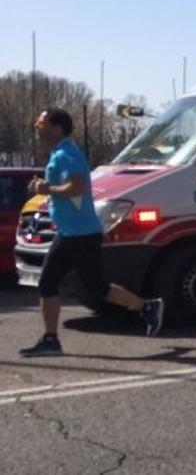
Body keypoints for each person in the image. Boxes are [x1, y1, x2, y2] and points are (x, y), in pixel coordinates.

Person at [21, 109, 164, 357]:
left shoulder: (66, 154)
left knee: (50, 283)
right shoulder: (62, 153)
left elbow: (76, 187)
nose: (37, 125)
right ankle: (147, 307)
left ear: (57, 127)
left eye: (41, 122)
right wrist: (47, 188)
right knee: (95, 288)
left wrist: (47, 188)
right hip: (75, 232)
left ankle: (51, 339)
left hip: (78, 234)